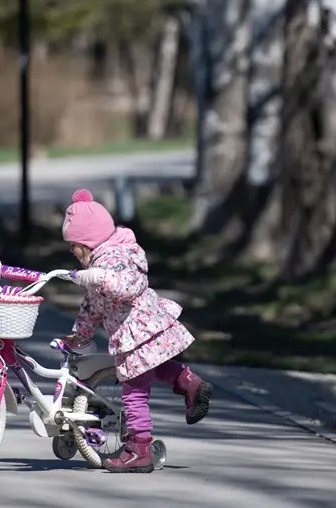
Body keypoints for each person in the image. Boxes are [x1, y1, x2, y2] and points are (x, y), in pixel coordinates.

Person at [61, 188, 213, 474]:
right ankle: (189, 382)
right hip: (146, 327)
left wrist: (99, 276)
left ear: (88, 240)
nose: (71, 251)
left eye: (74, 244)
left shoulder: (112, 259)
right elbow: (94, 305)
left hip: (137, 330)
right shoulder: (106, 258)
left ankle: (139, 448)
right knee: (153, 367)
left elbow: (128, 285)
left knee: (133, 393)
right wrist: (81, 333)